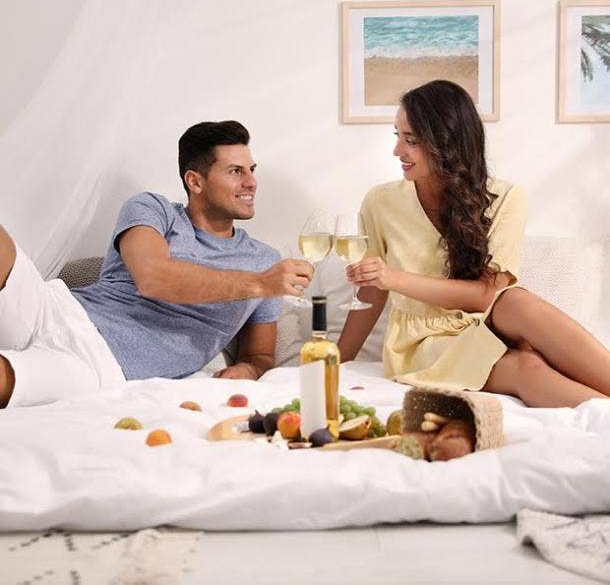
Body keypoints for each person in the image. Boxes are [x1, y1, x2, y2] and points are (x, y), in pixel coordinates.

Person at [0, 120, 312, 408]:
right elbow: (151, 277)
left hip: (100, 365)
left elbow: (259, 354)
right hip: (57, 309)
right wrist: (259, 283)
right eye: (235, 171)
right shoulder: (152, 208)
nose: (251, 183)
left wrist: (247, 369)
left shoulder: (265, 260)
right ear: (195, 181)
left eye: (251, 170)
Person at [338, 80, 610, 408]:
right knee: (528, 366)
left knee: (515, 301)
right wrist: (337, 362)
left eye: (411, 140)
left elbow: (485, 297)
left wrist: (394, 277)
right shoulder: (381, 202)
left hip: (489, 318)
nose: (398, 151)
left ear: (446, 143)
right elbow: (372, 291)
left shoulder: (506, 198)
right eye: (398, 136)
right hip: (426, 340)